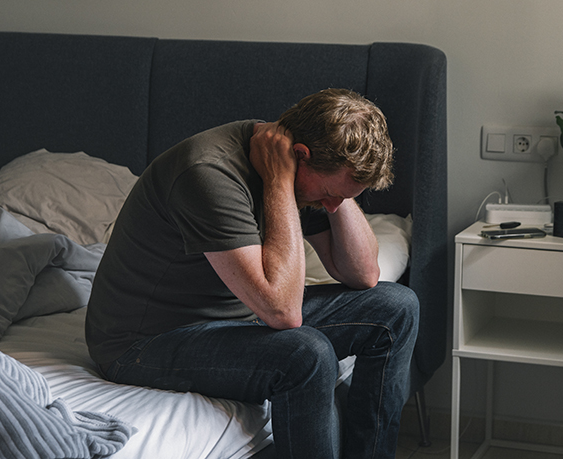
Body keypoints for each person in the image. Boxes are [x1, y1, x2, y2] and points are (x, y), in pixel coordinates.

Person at [85, 88, 420, 459]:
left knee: (397, 306)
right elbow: (283, 311)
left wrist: (338, 194)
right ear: (299, 156)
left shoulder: (303, 170)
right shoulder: (208, 172)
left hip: (235, 316)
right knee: (306, 354)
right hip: (144, 342)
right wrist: (279, 182)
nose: (329, 205)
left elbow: (364, 275)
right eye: (328, 194)